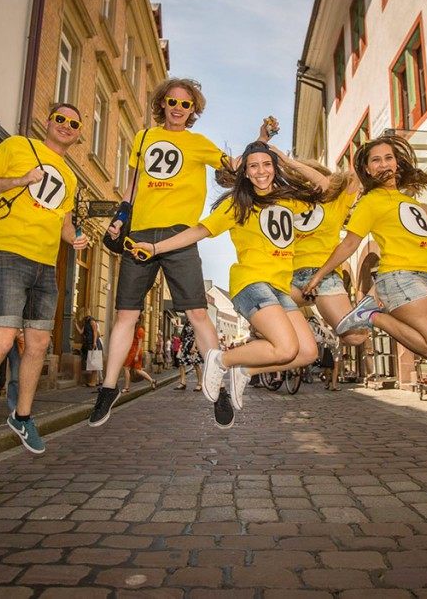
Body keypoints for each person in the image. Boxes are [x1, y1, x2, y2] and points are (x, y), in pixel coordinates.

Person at [133, 131, 325, 425]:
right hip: (251, 283)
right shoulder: (238, 204)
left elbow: (325, 186)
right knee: (286, 347)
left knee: (307, 352)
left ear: (274, 167)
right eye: (253, 166)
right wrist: (157, 247)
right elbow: (199, 230)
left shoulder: (288, 200)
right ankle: (221, 360)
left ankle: (244, 370)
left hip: (279, 288)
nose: (261, 171)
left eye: (267, 164)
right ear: (244, 172)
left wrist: (287, 160)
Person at [0, 102, 88, 478]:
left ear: (77, 134)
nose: (66, 126)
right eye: (60, 119)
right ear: (48, 122)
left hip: (45, 263)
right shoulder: (17, 147)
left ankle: (22, 416)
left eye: (73, 124)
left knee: (39, 344)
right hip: (7, 252)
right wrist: (19, 181)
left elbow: (63, 219)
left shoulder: (71, 177)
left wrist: (75, 237)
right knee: (2, 339)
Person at [90, 78, 228, 427]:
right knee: (125, 314)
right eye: (173, 102)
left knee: (197, 312)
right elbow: (132, 187)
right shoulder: (144, 137)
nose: (179, 108)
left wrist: (256, 149)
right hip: (138, 235)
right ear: (162, 104)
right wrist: (121, 218)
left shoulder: (199, 144)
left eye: (186, 104)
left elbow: (232, 165)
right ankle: (108, 389)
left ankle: (219, 385)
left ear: (193, 110)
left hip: (180, 235)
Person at [304, 134, 427, 361]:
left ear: (396, 162)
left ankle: (371, 314)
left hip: (420, 277)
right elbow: (350, 244)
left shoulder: (410, 202)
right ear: (367, 169)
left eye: (388, 158)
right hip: (401, 278)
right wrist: (319, 276)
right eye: (376, 160)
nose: (383, 164)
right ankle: (372, 316)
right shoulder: (371, 202)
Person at [288, 161, 369, 355]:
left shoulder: (339, 199)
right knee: (259, 321)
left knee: (355, 336)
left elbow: (356, 172)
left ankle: (376, 297)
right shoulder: (288, 202)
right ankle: (310, 327)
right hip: (290, 276)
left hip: (325, 275)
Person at [121, 315, 155, 392]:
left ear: (139, 319)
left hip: (135, 351)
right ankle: (152, 380)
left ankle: (126, 387)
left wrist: (136, 355)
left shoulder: (140, 330)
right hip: (135, 350)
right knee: (137, 370)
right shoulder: (136, 329)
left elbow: (140, 343)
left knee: (126, 368)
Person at [174, 317, 202, 391]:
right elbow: (184, 336)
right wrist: (181, 345)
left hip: (193, 345)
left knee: (196, 364)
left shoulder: (196, 322)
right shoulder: (187, 323)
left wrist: (194, 346)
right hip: (185, 345)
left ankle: (199, 383)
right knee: (181, 363)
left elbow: (197, 335)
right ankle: (183, 382)